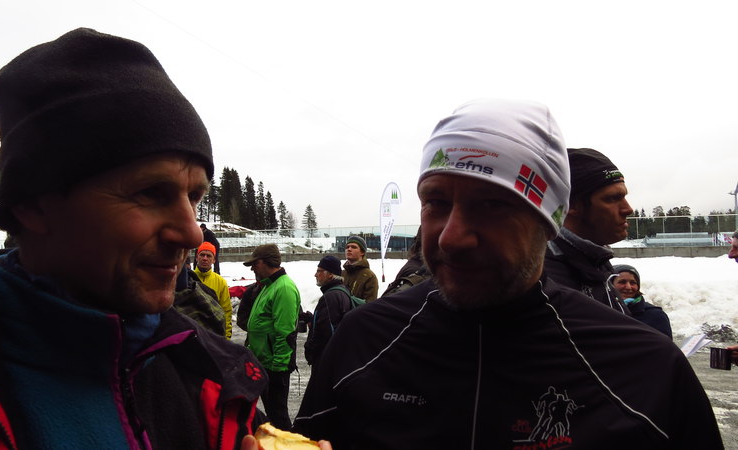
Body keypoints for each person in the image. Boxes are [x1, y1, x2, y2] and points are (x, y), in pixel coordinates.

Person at [294, 99, 722, 449]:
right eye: (436, 202)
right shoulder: (365, 341)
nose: (452, 237)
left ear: (549, 221)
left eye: (493, 204)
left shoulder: (645, 369)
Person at [0, 28, 269, 450]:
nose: (190, 232)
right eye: (151, 193)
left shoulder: (213, 373)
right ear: (34, 205)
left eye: (194, 197)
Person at [543, 147, 633, 313]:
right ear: (571, 205)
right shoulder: (545, 280)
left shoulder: (596, 259)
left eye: (624, 197)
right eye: (612, 198)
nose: (628, 209)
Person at [244, 244, 301, 430]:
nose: (253, 268)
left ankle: (287, 443)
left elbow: (285, 333)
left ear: (265, 262)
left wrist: (278, 368)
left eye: (255, 264)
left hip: (275, 367)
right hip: (264, 363)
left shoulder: (283, 288)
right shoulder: (269, 285)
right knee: (272, 415)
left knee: (279, 418)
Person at [304, 255, 352, 369]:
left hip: (326, 362)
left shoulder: (330, 297)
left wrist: (310, 349)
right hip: (336, 359)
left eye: (319, 271)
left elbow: (325, 332)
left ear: (330, 274)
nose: (315, 275)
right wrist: (313, 321)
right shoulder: (342, 291)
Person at [612, 264, 673, 338]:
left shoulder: (656, 316)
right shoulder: (603, 313)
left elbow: (665, 344)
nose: (628, 287)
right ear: (610, 285)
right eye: (622, 282)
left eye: (633, 283)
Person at [193, 241, 232, 338]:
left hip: (214, 334)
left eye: (209, 256)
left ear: (214, 260)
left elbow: (226, 310)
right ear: (197, 257)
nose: (205, 258)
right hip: (192, 333)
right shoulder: (189, 278)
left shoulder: (221, 282)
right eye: (202, 255)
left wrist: (226, 337)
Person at [341, 235, 379, 302]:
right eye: (347, 247)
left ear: (362, 252)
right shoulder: (341, 274)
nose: (349, 249)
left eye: (354, 247)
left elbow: (370, 304)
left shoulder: (369, 276)